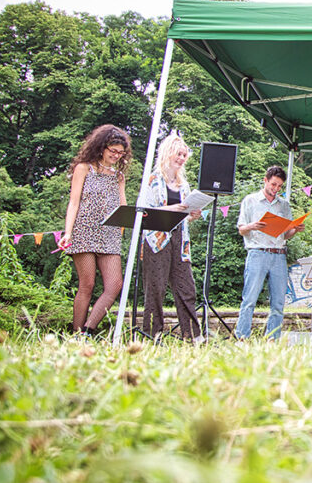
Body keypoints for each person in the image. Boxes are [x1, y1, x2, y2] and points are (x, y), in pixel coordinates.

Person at [58, 124, 132, 337]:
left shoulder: (118, 176)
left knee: (114, 285)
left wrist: (122, 229)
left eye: (121, 153)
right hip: (84, 231)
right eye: (113, 151)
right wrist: (68, 232)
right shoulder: (84, 168)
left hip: (109, 235)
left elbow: (122, 205)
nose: (117, 156)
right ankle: (75, 333)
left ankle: (87, 332)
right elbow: (74, 202)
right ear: (102, 148)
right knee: (87, 284)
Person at [141, 134, 203, 343]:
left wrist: (192, 214)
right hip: (156, 239)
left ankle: (193, 336)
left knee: (187, 288)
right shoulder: (152, 180)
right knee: (155, 289)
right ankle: (152, 335)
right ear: (168, 153)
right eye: (179, 154)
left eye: (185, 155)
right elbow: (145, 213)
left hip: (180, 240)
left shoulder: (184, 185)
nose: (182, 158)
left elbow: (184, 216)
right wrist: (172, 209)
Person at [236, 166, 300, 340]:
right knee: (249, 298)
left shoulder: (284, 204)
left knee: (278, 302)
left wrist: (294, 229)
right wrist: (253, 226)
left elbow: (285, 234)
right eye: (273, 184)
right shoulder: (250, 200)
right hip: (257, 252)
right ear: (265, 180)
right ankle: (242, 336)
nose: (276, 189)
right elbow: (241, 229)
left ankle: (272, 338)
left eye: (279, 186)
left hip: (279, 254)